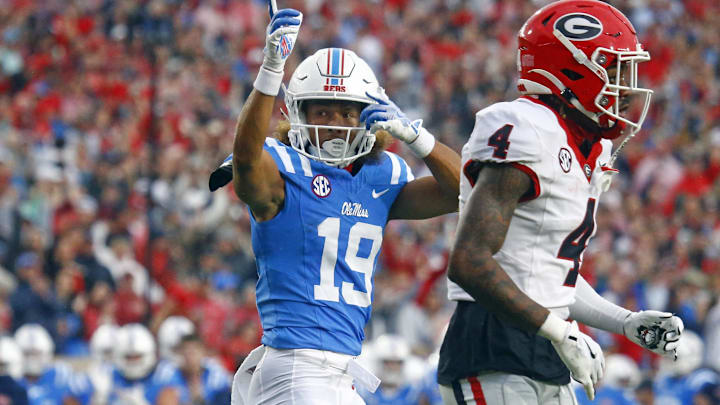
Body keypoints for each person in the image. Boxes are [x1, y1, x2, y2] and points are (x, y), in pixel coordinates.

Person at [211, 2, 460, 404]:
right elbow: (245, 160)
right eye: (322, 110)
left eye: (346, 112)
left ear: (368, 116)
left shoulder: (380, 176)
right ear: (297, 112)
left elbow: (465, 191)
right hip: (297, 362)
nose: (334, 123)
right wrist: (272, 68)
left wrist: (419, 139)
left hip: (337, 369)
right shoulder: (282, 166)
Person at [437, 1, 684, 404]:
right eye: (616, 70)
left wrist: (624, 322)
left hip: (544, 347)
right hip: (492, 348)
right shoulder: (528, 127)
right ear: (572, 69)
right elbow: (470, 262)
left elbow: (549, 276)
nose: (626, 87)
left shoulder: (591, 146)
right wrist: (557, 329)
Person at [14, 324, 93, 405]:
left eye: (36, 354)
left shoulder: (60, 374)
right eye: (27, 354)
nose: (32, 359)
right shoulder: (12, 381)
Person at [108, 323, 183, 405]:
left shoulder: (165, 375)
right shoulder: (110, 376)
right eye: (128, 358)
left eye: (137, 357)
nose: (133, 362)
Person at [176, 334, 231, 405]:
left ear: (203, 352)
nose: (189, 357)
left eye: (193, 352)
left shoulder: (216, 375)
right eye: (186, 352)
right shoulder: (172, 377)